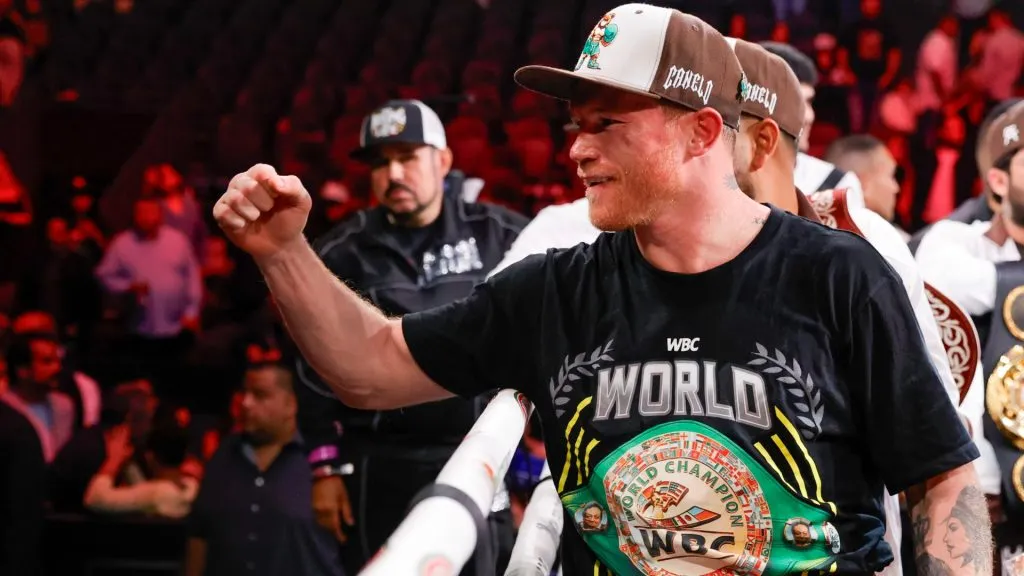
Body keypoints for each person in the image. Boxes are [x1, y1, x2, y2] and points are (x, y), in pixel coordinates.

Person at [214, 6, 990, 574]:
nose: (576, 149)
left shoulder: (839, 275)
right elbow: (369, 369)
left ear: (700, 132)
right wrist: (283, 254)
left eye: (606, 123)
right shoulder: (556, 291)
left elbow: (939, 475)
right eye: (575, 125)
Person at [728, 37, 997, 576]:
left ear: (760, 141)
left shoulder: (860, 242)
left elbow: (939, 452)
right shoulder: (641, 255)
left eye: (710, 127)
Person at [293, 99, 527, 573]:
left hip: (479, 449)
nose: (393, 174)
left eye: (407, 158)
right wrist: (325, 467)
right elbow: (311, 363)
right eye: (380, 163)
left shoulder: (498, 234)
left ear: (443, 160)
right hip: (378, 463)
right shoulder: (342, 251)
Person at [184, 364, 343, 576]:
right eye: (244, 393)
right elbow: (199, 534)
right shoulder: (223, 456)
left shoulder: (322, 464)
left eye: (260, 395)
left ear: (291, 404)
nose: (246, 403)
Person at [758, 42, 866, 202]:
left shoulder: (836, 187)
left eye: (809, 102)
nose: (809, 116)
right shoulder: (727, 178)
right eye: (796, 103)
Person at [825, 134, 901, 225]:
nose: (896, 188)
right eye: (891, 176)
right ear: (862, 185)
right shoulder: (880, 233)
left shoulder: (813, 227)